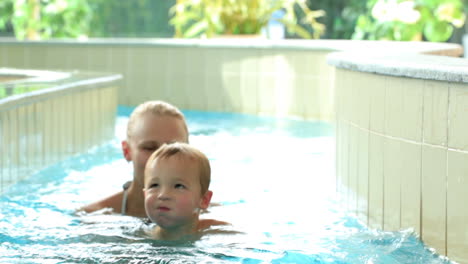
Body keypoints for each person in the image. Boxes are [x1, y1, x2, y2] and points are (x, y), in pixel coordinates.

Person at [79, 100, 189, 217]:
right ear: (127, 151)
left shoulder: (206, 216)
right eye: (149, 148)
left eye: (173, 148)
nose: (161, 158)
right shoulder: (94, 217)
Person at [143, 142, 228, 240]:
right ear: (145, 194)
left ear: (204, 200)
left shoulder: (220, 234)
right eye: (154, 185)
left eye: (178, 186)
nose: (163, 195)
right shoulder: (139, 237)